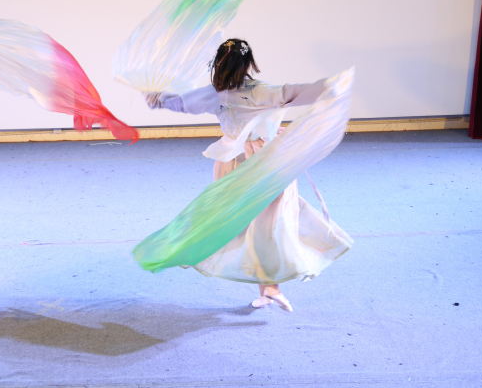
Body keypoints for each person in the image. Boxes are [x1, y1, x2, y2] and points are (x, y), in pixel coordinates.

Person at [145, 38, 353, 312]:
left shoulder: (213, 95)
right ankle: (270, 286)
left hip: (234, 163)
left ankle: (268, 287)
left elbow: (183, 103)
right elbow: (301, 92)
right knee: (273, 220)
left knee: (247, 221)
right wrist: (335, 84)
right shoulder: (262, 91)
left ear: (217, 64)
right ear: (248, 64)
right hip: (268, 160)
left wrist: (158, 99)